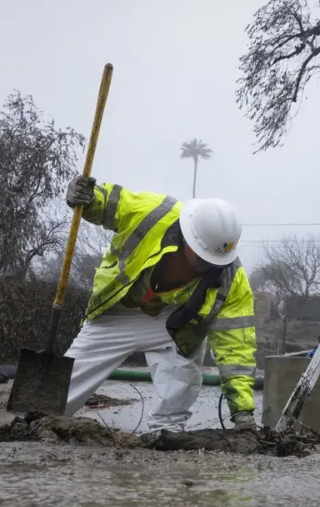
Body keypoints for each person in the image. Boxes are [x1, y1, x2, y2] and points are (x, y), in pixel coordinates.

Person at [61, 174, 258, 433]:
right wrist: (89, 198)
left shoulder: (232, 278)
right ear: (186, 238)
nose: (209, 266)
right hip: (117, 313)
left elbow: (237, 347)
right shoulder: (154, 213)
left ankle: (167, 430)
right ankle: (37, 417)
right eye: (203, 258)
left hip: (172, 323)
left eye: (215, 261)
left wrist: (242, 412)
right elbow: (112, 204)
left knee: (187, 362)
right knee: (62, 389)